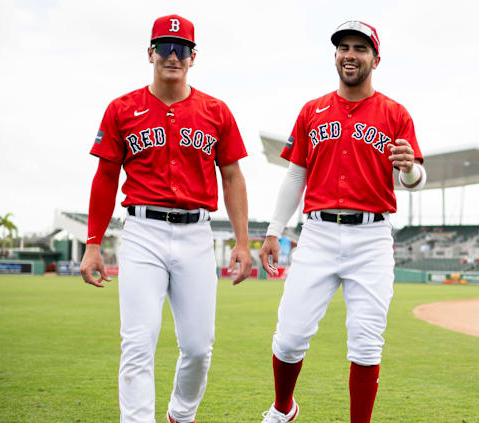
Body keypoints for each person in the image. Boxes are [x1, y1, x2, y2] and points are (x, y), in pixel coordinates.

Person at [79, 14, 251, 423]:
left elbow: (232, 176)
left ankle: (181, 414)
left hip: (196, 234)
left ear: (193, 57)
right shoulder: (122, 108)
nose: (174, 55)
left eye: (183, 48)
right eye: (165, 46)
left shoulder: (216, 111)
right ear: (150, 52)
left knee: (197, 346)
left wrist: (243, 242)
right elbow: (105, 177)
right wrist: (92, 243)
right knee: (138, 343)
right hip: (141, 231)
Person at [258, 21, 426, 423]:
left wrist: (410, 172)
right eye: (343, 47)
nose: (350, 54)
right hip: (316, 232)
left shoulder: (396, 113)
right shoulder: (311, 110)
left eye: (360, 48)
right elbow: (295, 175)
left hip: (370, 236)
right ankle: (284, 408)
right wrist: (273, 232)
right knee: (289, 337)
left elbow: (413, 178)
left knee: (366, 344)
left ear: (376, 59)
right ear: (335, 56)